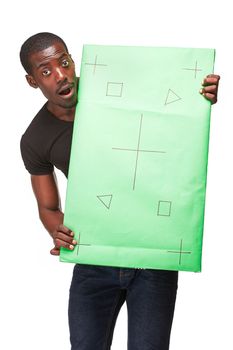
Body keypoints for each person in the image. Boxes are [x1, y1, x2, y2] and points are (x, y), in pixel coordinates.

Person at [19, 32, 220, 350]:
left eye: (65, 62)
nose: (61, 75)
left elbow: (170, 101)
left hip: (153, 254)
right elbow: (47, 207)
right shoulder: (34, 139)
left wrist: (200, 94)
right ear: (33, 82)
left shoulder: (116, 90)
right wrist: (57, 230)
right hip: (94, 258)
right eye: (46, 71)